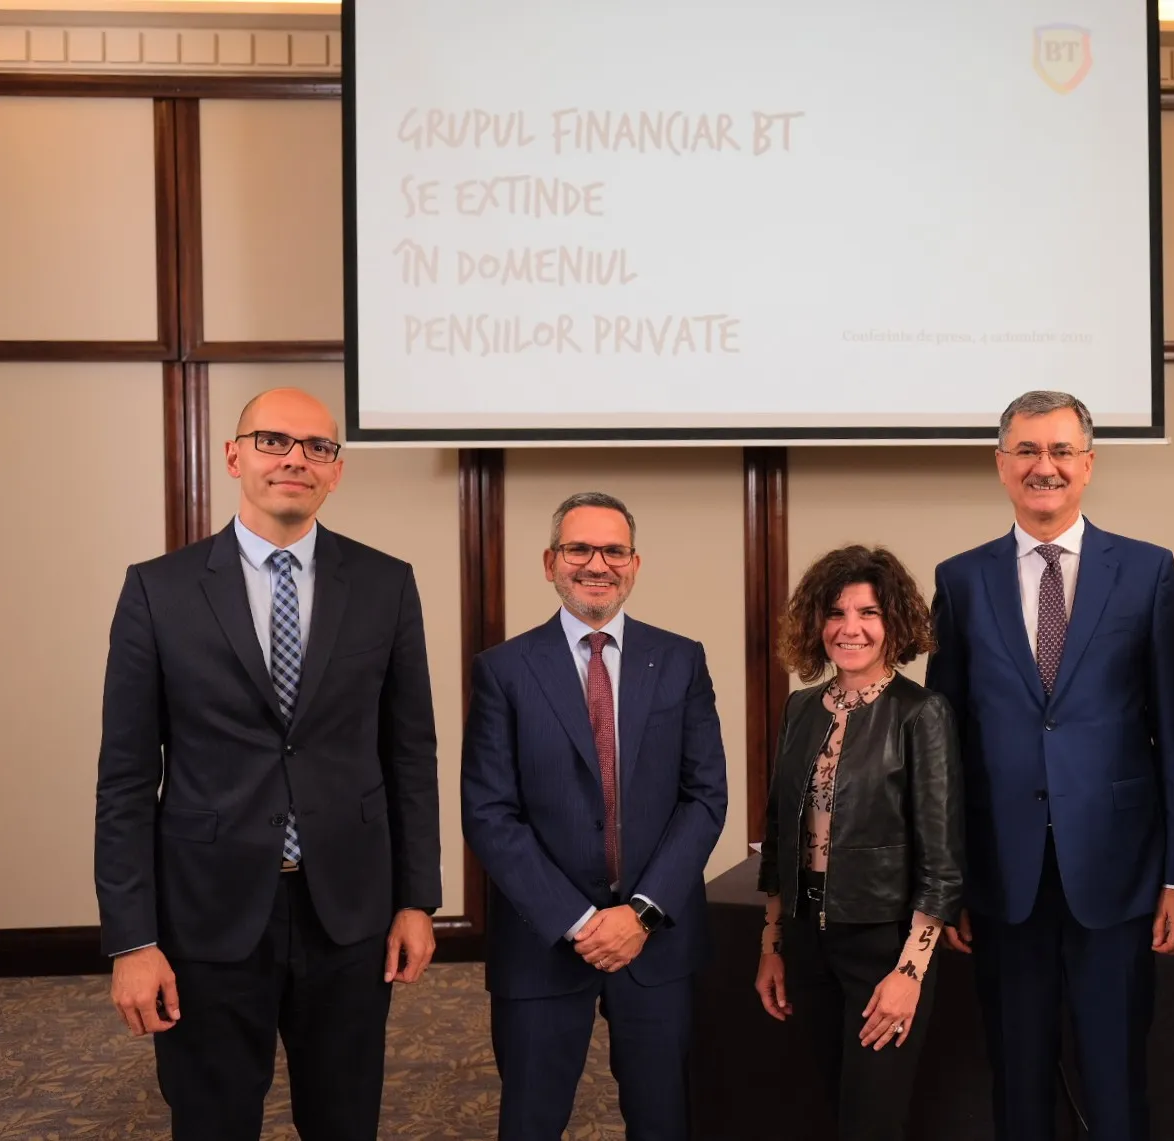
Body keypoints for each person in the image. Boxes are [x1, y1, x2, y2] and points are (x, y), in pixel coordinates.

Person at [93, 387, 441, 1141]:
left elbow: (411, 753)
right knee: (213, 1122)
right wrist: (133, 939)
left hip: (349, 912)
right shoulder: (158, 589)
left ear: (336, 470)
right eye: (274, 440)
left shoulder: (385, 583)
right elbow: (125, 781)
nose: (295, 459)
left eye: (318, 447)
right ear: (234, 456)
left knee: (345, 1120)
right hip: (206, 914)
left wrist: (418, 899)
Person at [926, 390, 1174, 1141]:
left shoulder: (1146, 570)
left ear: (1088, 464)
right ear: (1001, 465)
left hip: (1120, 873)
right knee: (1017, 1077)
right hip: (1000, 877)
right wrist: (948, 880)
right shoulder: (960, 580)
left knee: (1116, 1078)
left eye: (1059, 451)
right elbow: (942, 746)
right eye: (1026, 450)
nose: (1042, 466)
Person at [462, 491, 728, 1141]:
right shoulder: (504, 669)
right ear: (550, 561)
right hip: (543, 939)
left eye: (613, 550)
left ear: (635, 563)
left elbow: (704, 796)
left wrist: (640, 913)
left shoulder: (681, 659)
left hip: (656, 941)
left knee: (664, 1120)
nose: (597, 564)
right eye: (579, 549)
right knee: (530, 1121)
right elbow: (489, 812)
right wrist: (580, 921)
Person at [756, 545, 964, 1141]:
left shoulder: (922, 713)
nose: (851, 628)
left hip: (884, 947)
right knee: (826, 1112)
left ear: (893, 622)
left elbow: (943, 864)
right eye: (836, 613)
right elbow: (780, 836)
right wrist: (772, 945)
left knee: (872, 1122)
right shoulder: (801, 708)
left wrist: (910, 972)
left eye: (868, 613)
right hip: (807, 942)